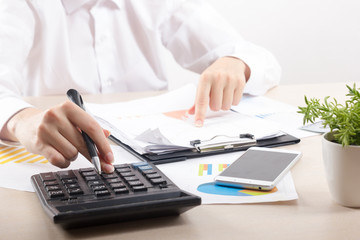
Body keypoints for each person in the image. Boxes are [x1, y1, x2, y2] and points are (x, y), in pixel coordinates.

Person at [0, 0, 281, 173]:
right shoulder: (20, 5)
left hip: (161, 157)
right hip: (72, 156)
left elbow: (260, 59)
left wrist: (235, 62)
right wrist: (21, 120)